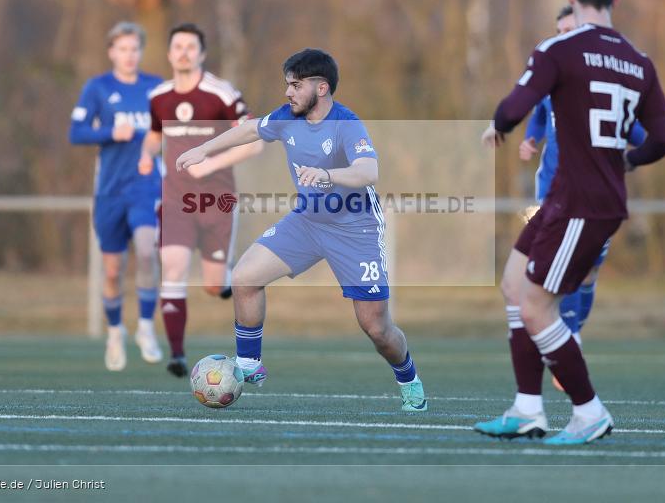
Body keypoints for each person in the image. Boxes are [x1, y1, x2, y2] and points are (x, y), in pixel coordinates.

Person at [476, 0, 665, 444]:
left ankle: (589, 413)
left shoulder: (559, 49)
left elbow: (513, 106)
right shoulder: (638, 61)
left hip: (584, 205)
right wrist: (628, 160)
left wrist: (500, 126)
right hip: (573, 198)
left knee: (537, 308)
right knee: (513, 284)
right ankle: (527, 409)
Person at [174, 48, 428, 412]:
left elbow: (368, 172)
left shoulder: (346, 123)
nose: (288, 93)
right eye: (287, 85)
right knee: (245, 277)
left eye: (295, 85)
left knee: (376, 328)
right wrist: (205, 149)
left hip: (355, 229)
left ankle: (409, 380)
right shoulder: (287, 117)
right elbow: (249, 129)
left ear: (321, 88)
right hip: (308, 221)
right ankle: (249, 364)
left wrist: (327, 175)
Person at [518, 5, 647, 391]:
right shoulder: (552, 70)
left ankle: (570, 332)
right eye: (559, 29)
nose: (563, 36)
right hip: (553, 191)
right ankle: (564, 341)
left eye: (570, 29)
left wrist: (638, 152)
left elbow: (637, 130)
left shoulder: (606, 77)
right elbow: (539, 110)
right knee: (542, 275)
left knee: (587, 272)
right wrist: (531, 136)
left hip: (596, 192)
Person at [138, 23, 262, 378]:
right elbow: (153, 135)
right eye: (177, 46)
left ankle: (223, 279)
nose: (183, 52)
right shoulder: (159, 97)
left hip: (216, 202)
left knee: (212, 285)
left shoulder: (221, 94)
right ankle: (177, 355)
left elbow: (255, 142)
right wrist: (146, 155)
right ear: (169, 53)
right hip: (176, 201)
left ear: (202, 54)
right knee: (173, 267)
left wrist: (211, 162)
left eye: (191, 47)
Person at [69, 21, 164, 371]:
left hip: (146, 187)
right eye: (123, 49)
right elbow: (76, 132)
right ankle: (114, 332)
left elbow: (171, 129)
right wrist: (111, 131)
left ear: (141, 51)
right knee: (112, 271)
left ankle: (146, 328)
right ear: (111, 52)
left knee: (147, 250)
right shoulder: (97, 88)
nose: (129, 55)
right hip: (109, 191)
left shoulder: (155, 87)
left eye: (135, 49)